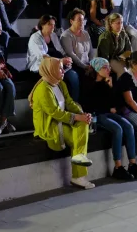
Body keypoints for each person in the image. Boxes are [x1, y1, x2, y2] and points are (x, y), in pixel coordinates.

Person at [30, 57, 94, 189]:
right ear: (50, 70)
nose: (63, 70)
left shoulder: (59, 83)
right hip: (49, 125)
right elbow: (55, 113)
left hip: (62, 121)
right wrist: (77, 117)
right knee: (79, 138)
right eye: (59, 68)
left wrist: (82, 114)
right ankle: (78, 175)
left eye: (61, 67)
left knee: (82, 126)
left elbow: (69, 103)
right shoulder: (43, 89)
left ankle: (78, 175)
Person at [81, 58, 137, 180]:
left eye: (109, 67)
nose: (108, 70)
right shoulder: (88, 83)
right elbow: (88, 105)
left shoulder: (108, 81)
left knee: (129, 126)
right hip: (97, 115)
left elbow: (113, 103)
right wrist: (107, 107)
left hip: (108, 112)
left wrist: (110, 87)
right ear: (97, 69)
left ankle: (132, 163)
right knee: (117, 129)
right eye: (105, 68)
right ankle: (118, 167)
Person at [27, 15, 80, 101]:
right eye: (49, 24)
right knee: (65, 79)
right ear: (42, 25)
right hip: (41, 67)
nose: (52, 27)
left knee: (74, 75)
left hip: (57, 66)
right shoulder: (35, 37)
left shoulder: (53, 35)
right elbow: (42, 57)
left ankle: (74, 104)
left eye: (54, 25)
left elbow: (61, 51)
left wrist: (66, 58)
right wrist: (60, 61)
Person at [61, 8, 93, 75]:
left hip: (88, 64)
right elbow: (71, 55)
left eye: (83, 20)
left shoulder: (86, 33)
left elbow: (91, 51)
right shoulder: (66, 35)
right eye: (79, 20)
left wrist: (91, 64)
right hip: (75, 66)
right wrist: (85, 67)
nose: (82, 22)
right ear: (71, 21)